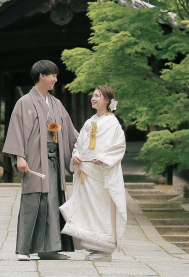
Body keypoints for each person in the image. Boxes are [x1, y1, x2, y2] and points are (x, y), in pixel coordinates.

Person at [3, 60, 79, 261]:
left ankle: (50, 249)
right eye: (53, 75)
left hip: (54, 162)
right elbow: (16, 131)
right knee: (33, 201)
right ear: (42, 76)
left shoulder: (56, 104)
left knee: (53, 202)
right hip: (35, 161)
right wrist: (20, 156)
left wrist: (85, 148)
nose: (56, 79)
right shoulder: (24, 102)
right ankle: (23, 250)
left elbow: (71, 133)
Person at [60, 86, 127, 262]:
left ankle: (104, 248)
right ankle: (92, 246)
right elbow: (78, 145)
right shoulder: (89, 121)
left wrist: (104, 158)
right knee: (87, 208)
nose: (93, 98)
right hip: (86, 173)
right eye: (93, 95)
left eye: (97, 96)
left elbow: (119, 146)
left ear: (107, 100)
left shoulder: (113, 123)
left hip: (101, 174)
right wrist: (75, 156)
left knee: (101, 209)